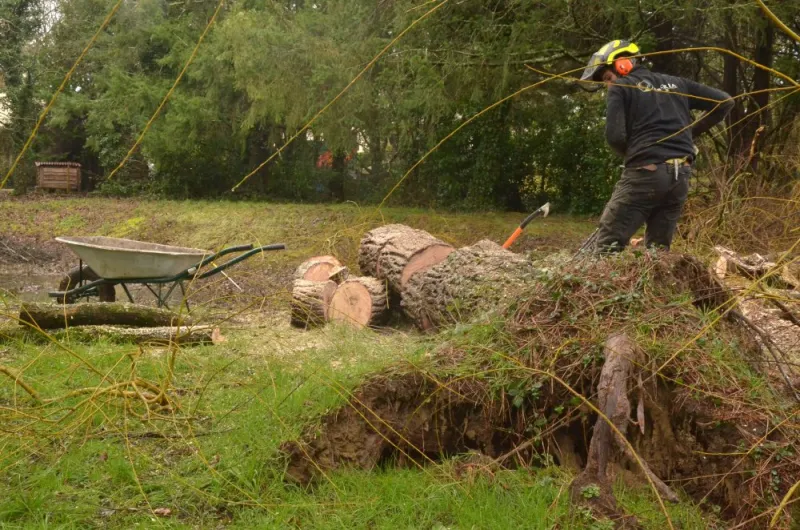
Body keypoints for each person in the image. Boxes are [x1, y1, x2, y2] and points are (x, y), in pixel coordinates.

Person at [580, 40, 733, 252]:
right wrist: (687, 135)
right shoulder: (677, 83)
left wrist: (636, 155)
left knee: (608, 243)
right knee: (658, 251)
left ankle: (598, 285)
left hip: (646, 172)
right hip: (680, 176)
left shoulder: (621, 87)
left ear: (622, 64)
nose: (608, 84)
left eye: (607, 77)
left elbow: (614, 136)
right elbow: (725, 101)